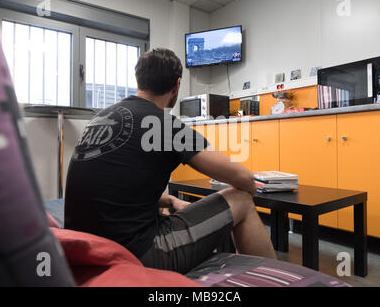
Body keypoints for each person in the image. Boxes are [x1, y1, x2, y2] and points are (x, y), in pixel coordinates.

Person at [65, 48, 276, 274]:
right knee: (241, 198)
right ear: (176, 86)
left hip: (84, 248)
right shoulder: (163, 125)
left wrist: (169, 200)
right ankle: (271, 278)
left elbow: (114, 187)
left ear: (139, 79)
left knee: (166, 210)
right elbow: (241, 178)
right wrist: (253, 187)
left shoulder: (103, 117)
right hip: (133, 254)